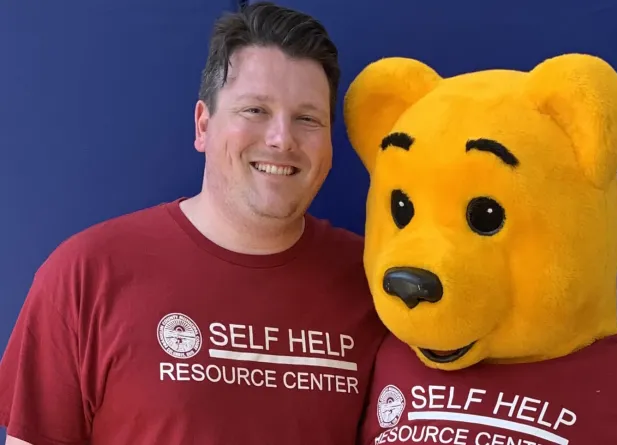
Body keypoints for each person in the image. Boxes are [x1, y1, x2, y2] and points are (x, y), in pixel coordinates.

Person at [0, 2, 387, 444]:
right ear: (203, 125)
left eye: (307, 119)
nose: (282, 139)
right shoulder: (87, 274)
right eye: (255, 110)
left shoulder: (375, 282)